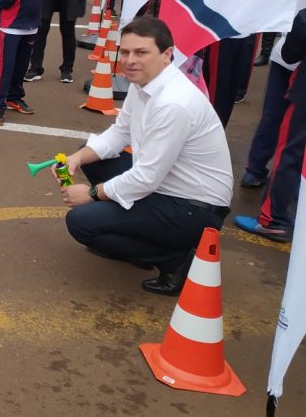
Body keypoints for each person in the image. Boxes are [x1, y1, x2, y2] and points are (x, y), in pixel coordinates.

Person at [59, 16, 234, 296]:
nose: (130, 60)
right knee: (90, 153)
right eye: (125, 52)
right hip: (169, 187)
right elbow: (120, 133)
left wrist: (91, 193)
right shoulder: (144, 84)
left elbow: (146, 178)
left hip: (196, 209)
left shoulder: (173, 103)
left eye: (141, 52)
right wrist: (77, 159)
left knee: (81, 223)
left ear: (167, 54)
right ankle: (141, 249)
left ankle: (176, 260)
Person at [235, 0, 306, 243]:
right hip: (286, 66)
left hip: (300, 82)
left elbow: (299, 34)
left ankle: (272, 220)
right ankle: (256, 173)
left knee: (290, 151)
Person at [239, 0, 306, 189]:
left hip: (287, 55)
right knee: (280, 123)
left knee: (280, 123)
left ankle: (258, 172)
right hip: (289, 57)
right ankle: (259, 173)